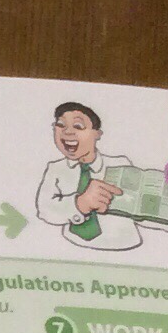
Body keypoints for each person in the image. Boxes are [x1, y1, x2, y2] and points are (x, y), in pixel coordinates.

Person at [35, 100, 143, 251]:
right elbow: (45, 209)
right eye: (60, 125)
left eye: (78, 126)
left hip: (123, 246)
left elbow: (138, 207)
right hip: (72, 246)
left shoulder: (120, 163)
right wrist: (80, 204)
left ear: (97, 134)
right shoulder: (55, 169)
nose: (67, 132)